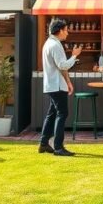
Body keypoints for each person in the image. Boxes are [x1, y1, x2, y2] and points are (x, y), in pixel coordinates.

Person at [38, 18, 83, 156]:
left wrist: (68, 82)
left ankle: (43, 144)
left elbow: (61, 67)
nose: (67, 33)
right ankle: (58, 147)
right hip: (56, 85)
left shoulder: (49, 43)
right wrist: (74, 56)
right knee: (62, 114)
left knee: (52, 114)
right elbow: (63, 65)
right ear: (59, 31)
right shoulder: (55, 45)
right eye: (66, 30)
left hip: (52, 85)